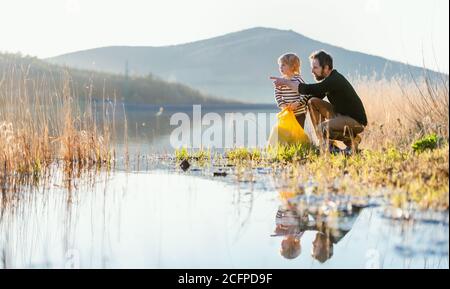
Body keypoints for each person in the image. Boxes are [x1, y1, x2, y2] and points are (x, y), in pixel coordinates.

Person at [271, 50, 368, 153]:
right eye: (312, 67)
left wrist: (285, 82)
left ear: (326, 68)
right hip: (342, 116)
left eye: (315, 67)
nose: (312, 71)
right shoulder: (328, 81)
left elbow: (307, 89)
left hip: (355, 121)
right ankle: (327, 145)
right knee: (313, 102)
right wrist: (295, 104)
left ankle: (352, 141)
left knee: (321, 128)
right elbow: (311, 96)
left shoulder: (334, 80)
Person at [273, 53, 310, 128]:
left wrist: (297, 103)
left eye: (283, 65)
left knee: (298, 133)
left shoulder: (298, 79)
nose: (280, 67)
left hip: (299, 113)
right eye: (280, 65)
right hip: (287, 113)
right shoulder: (281, 81)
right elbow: (277, 94)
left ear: (292, 66)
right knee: (287, 134)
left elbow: (305, 94)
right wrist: (282, 104)